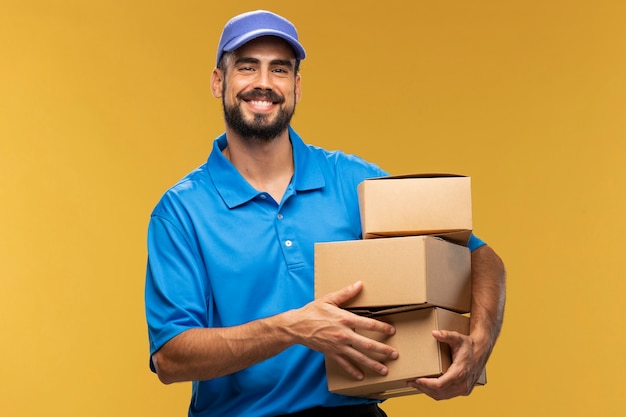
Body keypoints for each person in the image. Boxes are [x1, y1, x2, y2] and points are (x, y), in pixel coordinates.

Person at [144, 9, 506, 417]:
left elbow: (480, 256)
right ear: (218, 81)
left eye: (279, 70)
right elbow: (171, 358)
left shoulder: (351, 180)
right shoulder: (181, 211)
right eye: (247, 67)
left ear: (296, 86)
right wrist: (292, 328)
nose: (263, 83)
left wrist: (478, 345)